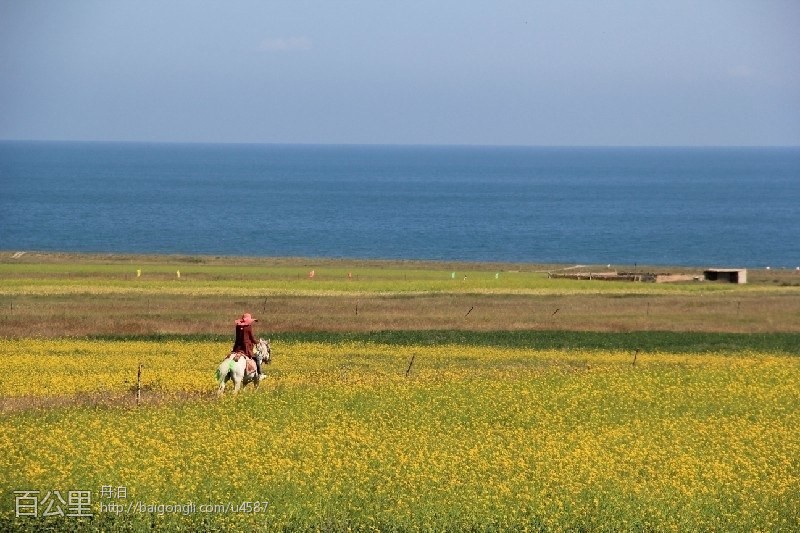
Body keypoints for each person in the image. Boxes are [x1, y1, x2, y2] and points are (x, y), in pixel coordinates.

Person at [232, 313, 263, 377]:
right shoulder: (248, 327)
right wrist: (257, 342)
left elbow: (237, 337)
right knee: (257, 358)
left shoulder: (237, 326)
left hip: (237, 347)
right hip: (246, 348)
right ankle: (259, 373)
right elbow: (251, 338)